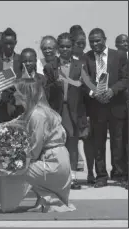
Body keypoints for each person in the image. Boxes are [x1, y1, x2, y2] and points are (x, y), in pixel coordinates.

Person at [0, 78, 75, 213]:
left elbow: (35, 150)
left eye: (16, 91)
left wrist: (8, 157)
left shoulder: (37, 115)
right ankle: (44, 199)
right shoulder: (32, 112)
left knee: (8, 167)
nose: (14, 94)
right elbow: (12, 124)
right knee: (11, 164)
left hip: (53, 162)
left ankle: (41, 199)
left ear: (25, 94)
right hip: (56, 160)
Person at [84, 28, 128, 188]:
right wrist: (94, 93)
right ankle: (101, 176)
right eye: (92, 41)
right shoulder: (86, 57)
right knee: (98, 143)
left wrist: (112, 91)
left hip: (116, 105)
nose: (95, 44)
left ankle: (121, 174)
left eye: (98, 40)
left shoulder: (120, 55)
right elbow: (84, 79)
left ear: (105, 39)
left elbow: (125, 78)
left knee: (118, 142)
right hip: (97, 106)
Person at [43, 32, 88, 190]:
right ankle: (58, 176)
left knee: (73, 144)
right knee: (56, 144)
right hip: (57, 109)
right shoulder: (50, 67)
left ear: (72, 47)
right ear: (57, 48)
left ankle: (73, 177)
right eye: (61, 46)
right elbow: (46, 90)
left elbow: (84, 89)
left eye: (68, 46)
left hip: (74, 110)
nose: (65, 49)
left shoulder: (79, 66)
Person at [70, 28, 96, 182]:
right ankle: (70, 175)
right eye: (78, 43)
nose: (82, 46)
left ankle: (90, 172)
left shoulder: (88, 59)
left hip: (87, 105)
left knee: (88, 139)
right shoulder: (65, 59)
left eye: (83, 42)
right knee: (71, 141)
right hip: (71, 106)